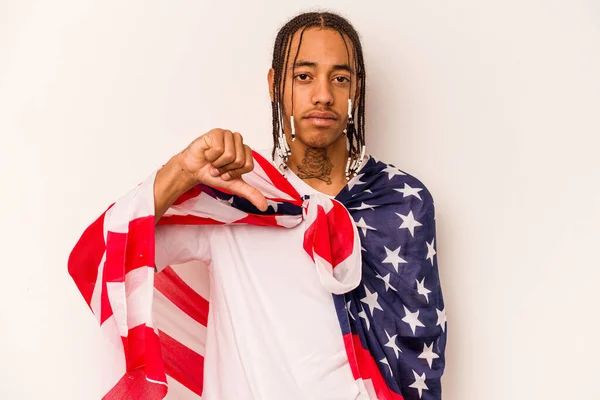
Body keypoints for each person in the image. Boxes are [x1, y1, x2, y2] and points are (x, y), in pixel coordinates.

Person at [69, 11, 447, 400]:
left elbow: (419, 357)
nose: (323, 94)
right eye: (304, 76)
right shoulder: (237, 193)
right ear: (275, 85)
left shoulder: (400, 200)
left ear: (357, 89)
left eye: (340, 78)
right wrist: (182, 171)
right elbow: (106, 256)